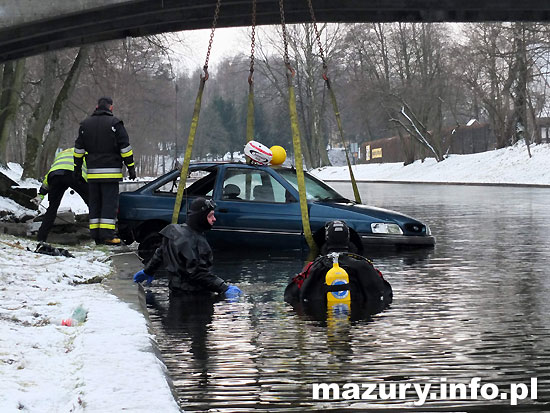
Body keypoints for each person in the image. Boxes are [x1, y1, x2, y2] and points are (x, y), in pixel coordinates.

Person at [133, 197, 242, 298]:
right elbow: (198, 273)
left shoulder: (173, 231)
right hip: (194, 299)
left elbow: (160, 253)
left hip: (175, 293)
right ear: (200, 217)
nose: (214, 219)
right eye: (210, 216)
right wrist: (224, 287)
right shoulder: (196, 242)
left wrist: (148, 271)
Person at [284, 220, 392, 315]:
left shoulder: (314, 266)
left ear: (327, 239)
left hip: (321, 315)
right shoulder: (364, 265)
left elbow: (291, 295)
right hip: (358, 314)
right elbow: (386, 293)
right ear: (348, 239)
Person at [73, 97, 136, 245]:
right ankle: (107, 235)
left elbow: (78, 150)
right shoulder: (115, 124)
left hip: (93, 172)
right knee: (109, 204)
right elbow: (125, 148)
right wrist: (131, 167)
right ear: (111, 108)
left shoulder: (85, 125)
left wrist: (76, 168)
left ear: (96, 107)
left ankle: (96, 234)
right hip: (111, 172)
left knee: (95, 203)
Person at [31, 148, 89, 243]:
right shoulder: (86, 152)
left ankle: (41, 237)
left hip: (56, 175)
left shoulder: (61, 153)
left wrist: (41, 195)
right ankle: (99, 236)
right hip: (74, 174)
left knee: (52, 208)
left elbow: (48, 177)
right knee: (92, 204)